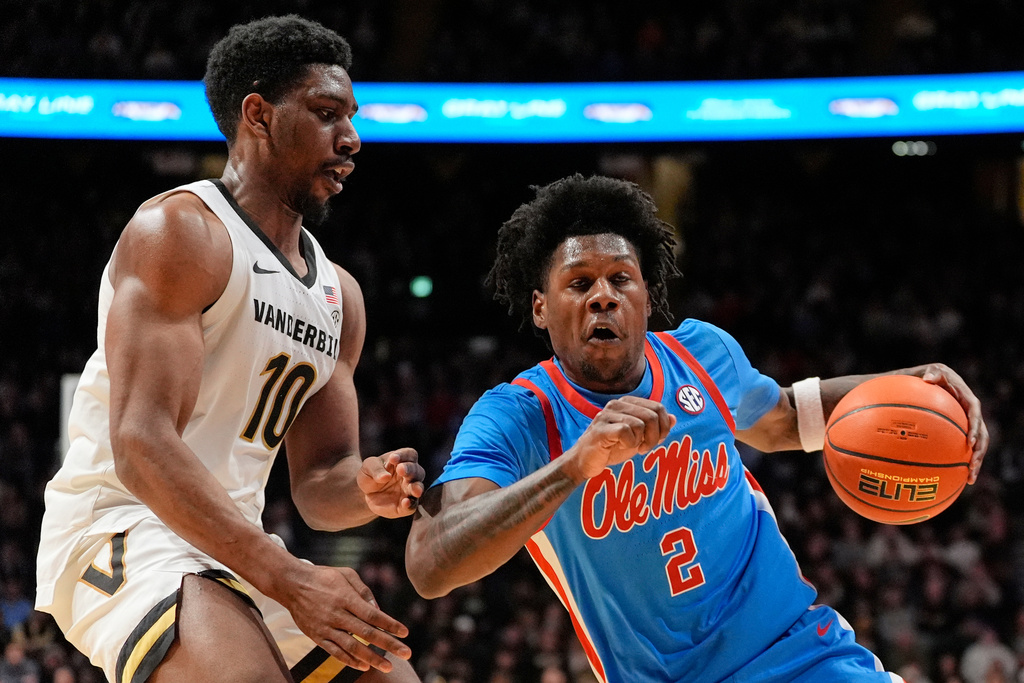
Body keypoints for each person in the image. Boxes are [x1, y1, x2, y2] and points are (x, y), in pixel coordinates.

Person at [405, 174, 990, 682]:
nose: (603, 296)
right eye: (579, 283)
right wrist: (574, 466)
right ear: (541, 308)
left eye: (621, 279)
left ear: (646, 294)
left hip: (800, 652)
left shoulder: (703, 354)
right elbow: (430, 564)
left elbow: (787, 418)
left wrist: (910, 383)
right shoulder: (518, 415)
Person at [35, 15, 423, 683]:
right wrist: (291, 578)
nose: (351, 138)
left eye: (351, 117)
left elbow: (320, 485)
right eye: (327, 113)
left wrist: (368, 491)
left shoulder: (339, 296)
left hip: (234, 543)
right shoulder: (181, 231)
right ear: (258, 115)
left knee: (387, 674)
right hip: (125, 523)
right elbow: (141, 444)